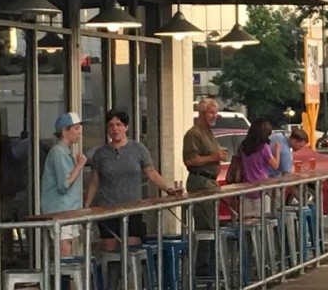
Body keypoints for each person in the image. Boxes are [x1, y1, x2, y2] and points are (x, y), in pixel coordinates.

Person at [85, 109, 180, 251]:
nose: (115, 129)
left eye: (119, 125)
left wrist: (169, 189)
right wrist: (87, 206)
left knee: (132, 247)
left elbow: (151, 172)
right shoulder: (100, 153)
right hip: (107, 209)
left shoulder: (138, 149)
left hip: (132, 207)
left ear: (126, 127)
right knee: (109, 249)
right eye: (111, 126)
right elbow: (94, 181)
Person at [40, 112, 87, 256]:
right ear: (64, 131)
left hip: (69, 210)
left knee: (71, 250)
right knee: (64, 252)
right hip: (60, 210)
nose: (79, 133)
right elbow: (64, 185)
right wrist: (79, 166)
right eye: (76, 129)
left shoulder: (65, 152)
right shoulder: (58, 152)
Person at [183, 99, 229, 230]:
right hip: (200, 181)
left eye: (216, 113)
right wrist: (214, 157)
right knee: (206, 225)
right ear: (202, 113)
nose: (215, 116)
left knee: (213, 222)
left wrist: (219, 156)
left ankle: (213, 243)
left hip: (211, 181)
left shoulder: (209, 132)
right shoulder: (194, 134)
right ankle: (205, 244)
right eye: (211, 113)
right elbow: (190, 160)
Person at [239, 118, 280, 216]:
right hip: (261, 187)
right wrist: (277, 151)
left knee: (247, 220)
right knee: (262, 219)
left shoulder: (243, 146)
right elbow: (275, 165)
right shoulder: (264, 147)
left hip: (246, 187)